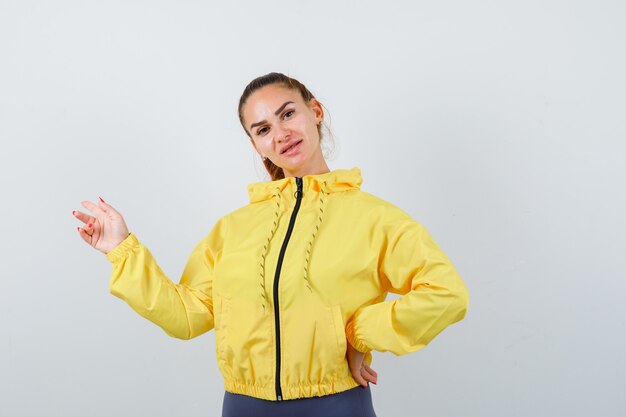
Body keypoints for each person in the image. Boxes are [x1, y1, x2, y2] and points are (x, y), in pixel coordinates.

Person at [73, 72, 470, 417]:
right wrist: (122, 249)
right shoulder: (232, 229)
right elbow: (187, 316)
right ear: (256, 144)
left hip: (335, 406)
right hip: (244, 408)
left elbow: (446, 294)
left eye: (287, 113)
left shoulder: (377, 219)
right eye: (262, 129)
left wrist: (359, 333)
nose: (280, 134)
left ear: (315, 111)